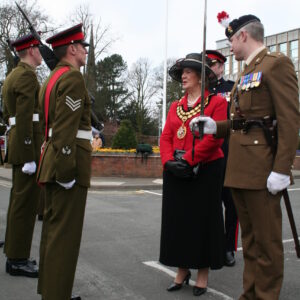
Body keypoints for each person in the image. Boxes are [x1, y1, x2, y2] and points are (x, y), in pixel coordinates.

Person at [190, 14, 300, 300]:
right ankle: (250, 294)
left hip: (263, 169)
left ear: (243, 36)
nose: (230, 48)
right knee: (250, 243)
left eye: (231, 41)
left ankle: (265, 296)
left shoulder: (276, 65)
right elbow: (242, 122)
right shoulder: (245, 72)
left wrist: (282, 168)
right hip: (240, 169)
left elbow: (290, 120)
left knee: (267, 244)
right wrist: (216, 127)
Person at [159, 53, 227, 296]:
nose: (184, 76)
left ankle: (202, 274)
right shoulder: (175, 106)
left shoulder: (216, 103)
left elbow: (214, 139)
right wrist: (168, 162)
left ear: (201, 76)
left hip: (206, 169)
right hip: (176, 170)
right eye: (182, 73)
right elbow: (166, 136)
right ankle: (182, 270)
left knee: (202, 221)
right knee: (180, 222)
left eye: (188, 71)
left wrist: (188, 160)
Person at [36, 23, 92, 300]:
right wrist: (67, 169)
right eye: (82, 46)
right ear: (72, 48)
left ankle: (51, 292)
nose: (85, 51)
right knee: (64, 239)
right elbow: (66, 128)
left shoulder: (51, 78)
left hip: (52, 159)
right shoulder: (72, 78)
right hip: (66, 164)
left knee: (53, 233)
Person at [2, 33, 42, 277]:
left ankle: (13, 253)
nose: (41, 52)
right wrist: (29, 153)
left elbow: (10, 114)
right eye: (38, 48)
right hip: (26, 145)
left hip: (18, 141)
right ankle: (17, 259)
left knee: (19, 202)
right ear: (30, 50)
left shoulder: (13, 75)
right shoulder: (26, 76)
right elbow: (26, 115)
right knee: (24, 205)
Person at [205, 50, 238, 266]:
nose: (209, 68)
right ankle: (212, 244)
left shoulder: (231, 88)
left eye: (213, 64)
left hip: (229, 153)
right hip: (208, 153)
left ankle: (228, 247)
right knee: (210, 203)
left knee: (231, 204)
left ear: (221, 67)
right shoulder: (202, 91)